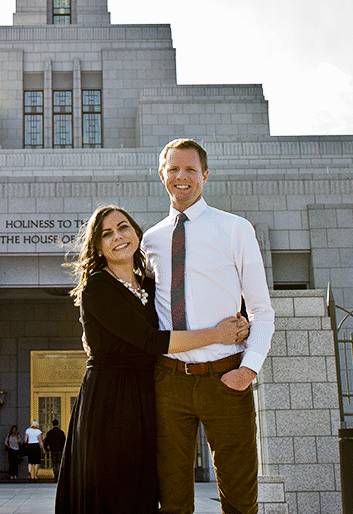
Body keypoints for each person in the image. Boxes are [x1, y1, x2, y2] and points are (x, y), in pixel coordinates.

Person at [55, 205, 249, 514]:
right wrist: (217, 334)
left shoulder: (149, 284)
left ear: (136, 232)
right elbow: (151, 340)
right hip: (110, 401)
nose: (118, 237)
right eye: (107, 234)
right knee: (112, 491)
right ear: (98, 247)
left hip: (147, 396)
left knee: (141, 492)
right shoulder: (98, 287)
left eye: (123, 227)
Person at [142, 138, 275, 514]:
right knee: (172, 499)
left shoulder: (235, 229)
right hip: (168, 382)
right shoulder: (149, 240)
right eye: (173, 169)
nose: (181, 177)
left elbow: (262, 310)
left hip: (225, 378)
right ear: (162, 175)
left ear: (205, 175)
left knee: (239, 497)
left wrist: (248, 370)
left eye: (190, 170)